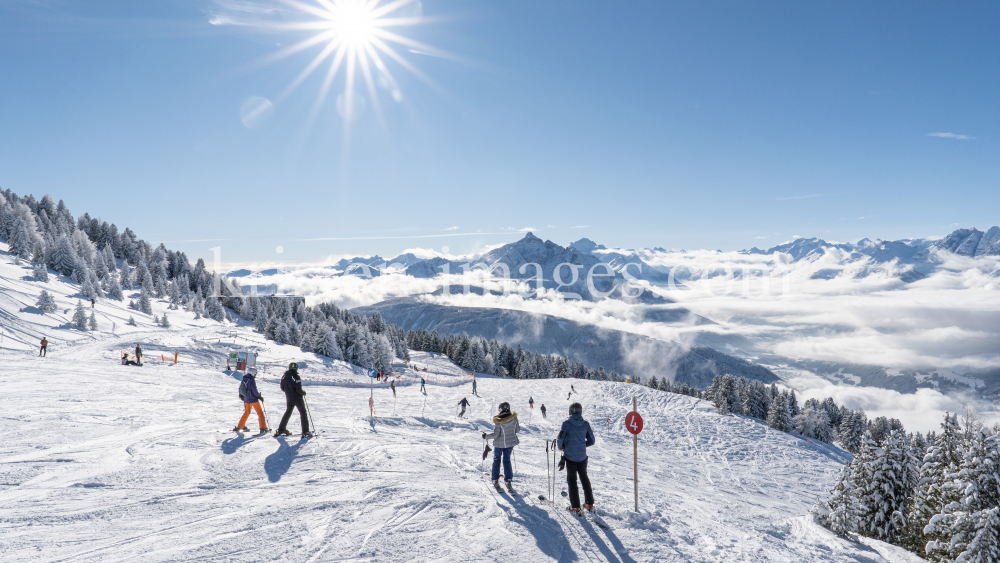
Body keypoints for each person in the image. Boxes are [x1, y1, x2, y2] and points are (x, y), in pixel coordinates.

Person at [558, 402, 596, 514]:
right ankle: (589, 504)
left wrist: (562, 447)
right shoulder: (585, 424)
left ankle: (576, 507)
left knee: (572, 480)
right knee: (584, 478)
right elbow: (592, 440)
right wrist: (583, 445)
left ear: (570, 412)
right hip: (582, 457)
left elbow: (560, 440)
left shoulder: (566, 424)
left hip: (570, 457)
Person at [482, 402, 520, 492]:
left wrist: (486, 436)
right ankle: (508, 480)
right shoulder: (514, 418)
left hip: (499, 444)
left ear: (500, 409)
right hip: (510, 444)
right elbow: (517, 430)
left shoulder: (499, 420)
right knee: (507, 459)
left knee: (497, 459)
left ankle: (495, 479)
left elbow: (495, 435)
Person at [275, 362, 310, 437]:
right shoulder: (296, 376)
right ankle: (305, 431)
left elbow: (282, 388)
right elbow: (298, 389)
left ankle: (281, 429)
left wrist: (288, 392)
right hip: (297, 398)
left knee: (288, 412)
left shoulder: (284, 376)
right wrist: (302, 393)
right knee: (303, 412)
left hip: (289, 397)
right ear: (296, 368)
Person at [233, 368, 268, 434]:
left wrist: (241, 396)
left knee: (246, 413)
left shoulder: (244, 379)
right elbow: (254, 390)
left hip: (246, 400)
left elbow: (240, 388)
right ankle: (263, 428)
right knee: (260, 413)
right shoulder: (251, 380)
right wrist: (259, 396)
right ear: (253, 373)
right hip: (253, 400)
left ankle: (240, 426)